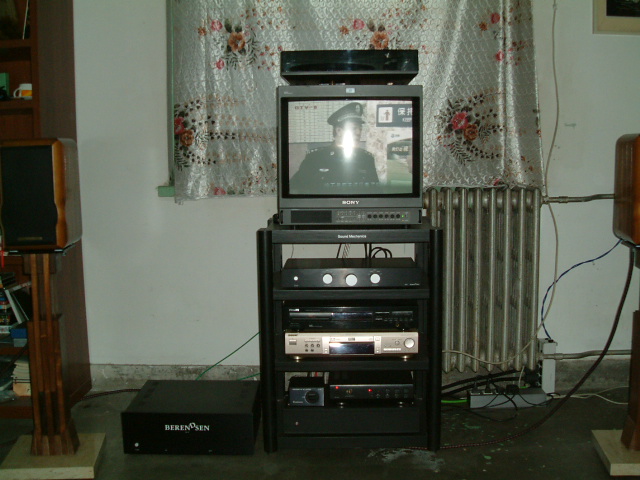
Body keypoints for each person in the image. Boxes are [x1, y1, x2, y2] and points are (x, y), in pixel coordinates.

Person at [289, 102, 380, 194]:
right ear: (339, 131)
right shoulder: (316, 158)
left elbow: (374, 193)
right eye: (354, 128)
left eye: (360, 129)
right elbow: (295, 189)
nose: (358, 133)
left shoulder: (366, 159)